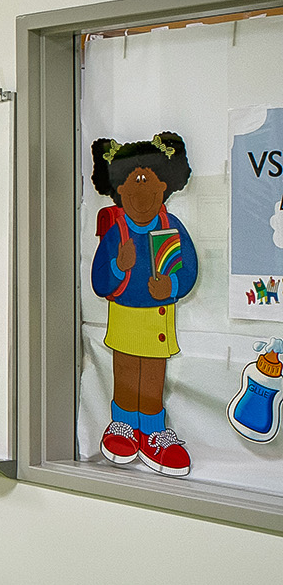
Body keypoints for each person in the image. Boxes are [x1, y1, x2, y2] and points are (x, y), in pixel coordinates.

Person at [89, 133, 199, 475]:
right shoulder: (115, 231)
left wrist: (172, 283)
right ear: (120, 190)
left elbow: (189, 268)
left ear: (164, 187)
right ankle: (123, 422)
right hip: (123, 314)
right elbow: (98, 280)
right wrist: (117, 266)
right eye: (133, 182)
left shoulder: (172, 228)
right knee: (124, 368)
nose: (141, 192)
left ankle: (152, 430)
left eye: (148, 182)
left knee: (153, 370)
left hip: (157, 315)